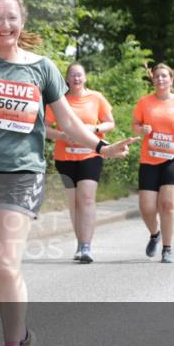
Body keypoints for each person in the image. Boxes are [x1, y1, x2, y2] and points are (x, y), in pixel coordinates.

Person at [0, 0, 136, 346]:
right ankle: (19, 335)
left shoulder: (42, 68)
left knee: (6, 261)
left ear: (23, 21)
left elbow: (67, 122)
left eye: (12, 18)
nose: (5, 25)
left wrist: (101, 147)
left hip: (24, 172)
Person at [44, 63, 115, 263]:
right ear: (67, 79)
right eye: (72, 75)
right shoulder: (58, 101)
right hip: (65, 157)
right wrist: (63, 135)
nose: (76, 79)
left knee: (87, 198)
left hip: (91, 155)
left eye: (79, 75)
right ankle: (80, 243)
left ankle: (86, 246)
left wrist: (94, 129)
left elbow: (110, 122)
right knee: (74, 201)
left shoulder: (96, 98)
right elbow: (44, 128)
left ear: (85, 78)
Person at [132, 63, 174, 264]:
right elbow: (134, 126)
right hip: (150, 159)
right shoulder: (144, 102)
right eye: (157, 76)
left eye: (164, 76)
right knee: (147, 207)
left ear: (171, 79)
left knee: (168, 205)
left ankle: (167, 248)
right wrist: (141, 130)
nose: (160, 79)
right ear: (152, 79)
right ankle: (155, 234)